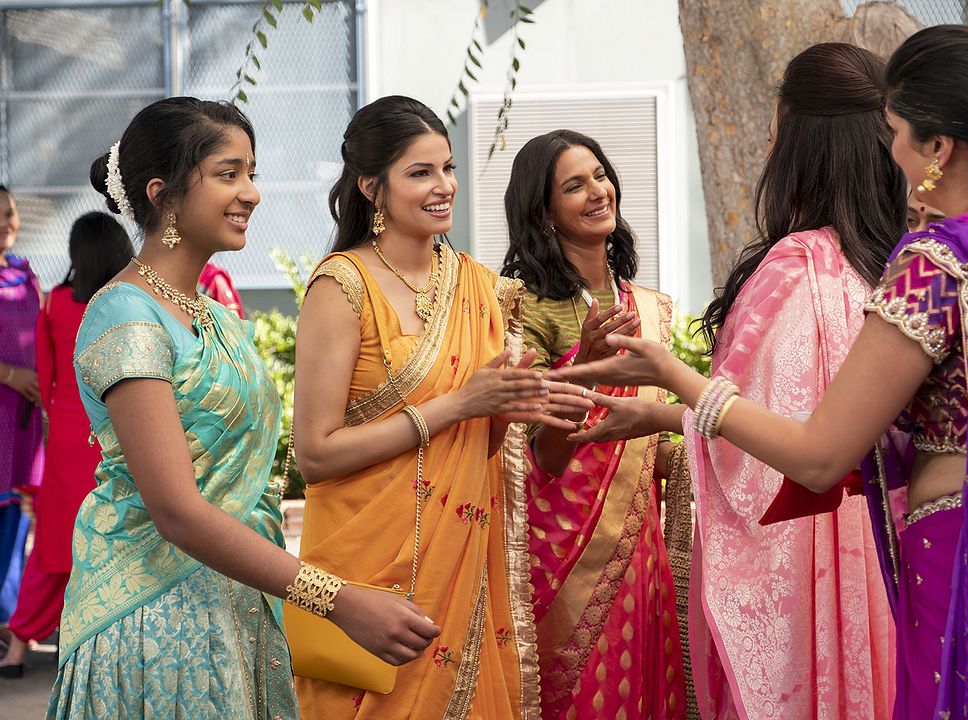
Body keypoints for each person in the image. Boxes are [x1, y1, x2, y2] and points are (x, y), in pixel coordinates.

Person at [550, 25, 968, 720]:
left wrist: (679, 379)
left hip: (963, 556)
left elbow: (820, 457)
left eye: (894, 131)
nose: (885, 150)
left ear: (939, 149)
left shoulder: (939, 260)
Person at [547, 44, 902, 719]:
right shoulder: (896, 262)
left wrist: (671, 379)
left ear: (801, 140)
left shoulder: (796, 269)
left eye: (776, 123)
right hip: (889, 561)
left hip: (811, 574)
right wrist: (661, 418)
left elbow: (782, 456)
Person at [48, 97, 432, 719]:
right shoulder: (125, 313)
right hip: (156, 624)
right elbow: (176, 509)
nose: (251, 193)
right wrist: (337, 601)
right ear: (164, 195)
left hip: (239, 605)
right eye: (229, 174)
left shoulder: (215, 318)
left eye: (251, 173)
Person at [291, 95, 591, 719]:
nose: (443, 187)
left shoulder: (480, 287)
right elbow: (314, 455)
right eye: (420, 172)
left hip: (460, 566)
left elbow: (482, 442)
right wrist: (458, 405)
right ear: (372, 187)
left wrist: (513, 409)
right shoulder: (342, 286)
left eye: (448, 168)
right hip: (368, 570)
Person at [500, 129, 688, 719]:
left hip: (639, 546)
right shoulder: (523, 308)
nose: (596, 192)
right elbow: (546, 460)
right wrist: (582, 367)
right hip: (559, 554)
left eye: (600, 176)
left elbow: (648, 445)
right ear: (543, 211)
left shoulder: (646, 304)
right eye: (573, 186)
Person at [0, 212, 133, 679]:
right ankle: (91, 641)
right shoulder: (127, 303)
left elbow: (45, 380)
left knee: (54, 546)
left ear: (77, 255)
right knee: (115, 539)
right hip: (120, 436)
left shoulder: (55, 303)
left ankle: (17, 652)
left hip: (66, 441)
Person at [0, 185, 43, 629]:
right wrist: (12, 376)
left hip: (23, 416)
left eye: (9, 212)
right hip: (4, 404)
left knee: (16, 512)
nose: (5, 222)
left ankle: (10, 620)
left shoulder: (23, 272)